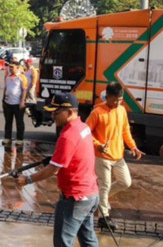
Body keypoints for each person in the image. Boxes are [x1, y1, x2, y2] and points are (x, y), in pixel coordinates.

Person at [17, 92, 99, 247]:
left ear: (69, 112)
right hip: (91, 194)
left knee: (63, 242)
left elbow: (52, 170)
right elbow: (73, 155)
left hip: (75, 197)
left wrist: (28, 180)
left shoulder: (68, 135)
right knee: (88, 241)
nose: (52, 116)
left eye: (56, 112)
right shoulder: (83, 127)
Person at [85, 82, 145, 230]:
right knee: (104, 186)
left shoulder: (122, 110)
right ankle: (103, 217)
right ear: (108, 97)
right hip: (102, 156)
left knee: (126, 182)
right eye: (115, 99)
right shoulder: (97, 112)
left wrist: (133, 146)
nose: (118, 102)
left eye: (120, 99)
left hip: (118, 156)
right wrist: (98, 144)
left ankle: (100, 199)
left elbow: (125, 131)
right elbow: (86, 132)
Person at [2, 62, 28, 145]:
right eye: (10, 67)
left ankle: (20, 139)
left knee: (19, 122)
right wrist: (3, 99)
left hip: (18, 103)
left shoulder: (22, 77)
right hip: (8, 103)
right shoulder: (7, 77)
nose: (10, 69)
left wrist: (22, 101)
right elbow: (5, 88)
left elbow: (24, 90)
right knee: (8, 121)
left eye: (12, 67)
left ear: (17, 68)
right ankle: (7, 138)